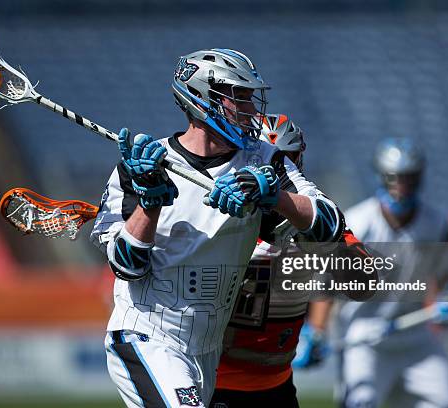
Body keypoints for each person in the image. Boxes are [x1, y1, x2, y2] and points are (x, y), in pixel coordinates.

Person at [90, 49, 346, 408]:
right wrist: (149, 202)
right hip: (148, 335)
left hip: (206, 353)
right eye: (238, 97)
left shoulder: (265, 159)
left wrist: (273, 194)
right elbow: (127, 266)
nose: (251, 109)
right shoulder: (141, 167)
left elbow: (330, 224)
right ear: (200, 97)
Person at [210, 114, 371, 408]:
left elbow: (364, 283)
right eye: (268, 162)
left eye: (286, 161)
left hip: (278, 384)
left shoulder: (315, 215)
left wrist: (321, 243)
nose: (277, 171)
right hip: (213, 381)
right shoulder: (215, 209)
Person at [336, 138, 448, 408]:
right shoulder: (357, 222)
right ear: (381, 177)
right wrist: (315, 330)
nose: (402, 186)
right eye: (395, 178)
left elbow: (446, 277)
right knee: (360, 402)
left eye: (409, 178)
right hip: (365, 338)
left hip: (415, 337)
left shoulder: (436, 222)